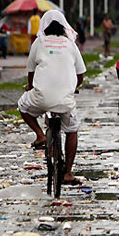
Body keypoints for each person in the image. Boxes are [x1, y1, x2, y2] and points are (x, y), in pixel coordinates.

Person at [18, 10, 86, 185]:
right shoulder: (71, 45)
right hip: (65, 99)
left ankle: (40, 135)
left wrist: (30, 86)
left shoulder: (38, 43)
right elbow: (80, 75)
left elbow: (31, 73)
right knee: (72, 130)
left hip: (40, 98)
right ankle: (68, 173)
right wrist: (74, 87)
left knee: (23, 106)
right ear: (64, 26)